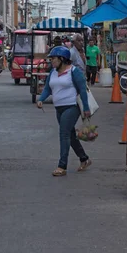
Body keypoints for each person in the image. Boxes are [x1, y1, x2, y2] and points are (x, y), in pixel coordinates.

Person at [36, 46, 92, 177]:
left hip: (72, 107)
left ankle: (62, 166)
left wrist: (86, 108)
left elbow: (83, 90)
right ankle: (84, 158)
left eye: (54, 59)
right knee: (70, 135)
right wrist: (41, 99)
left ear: (62, 59)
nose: (52, 61)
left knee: (64, 134)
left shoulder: (74, 71)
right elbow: (47, 89)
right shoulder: (53, 73)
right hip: (59, 108)